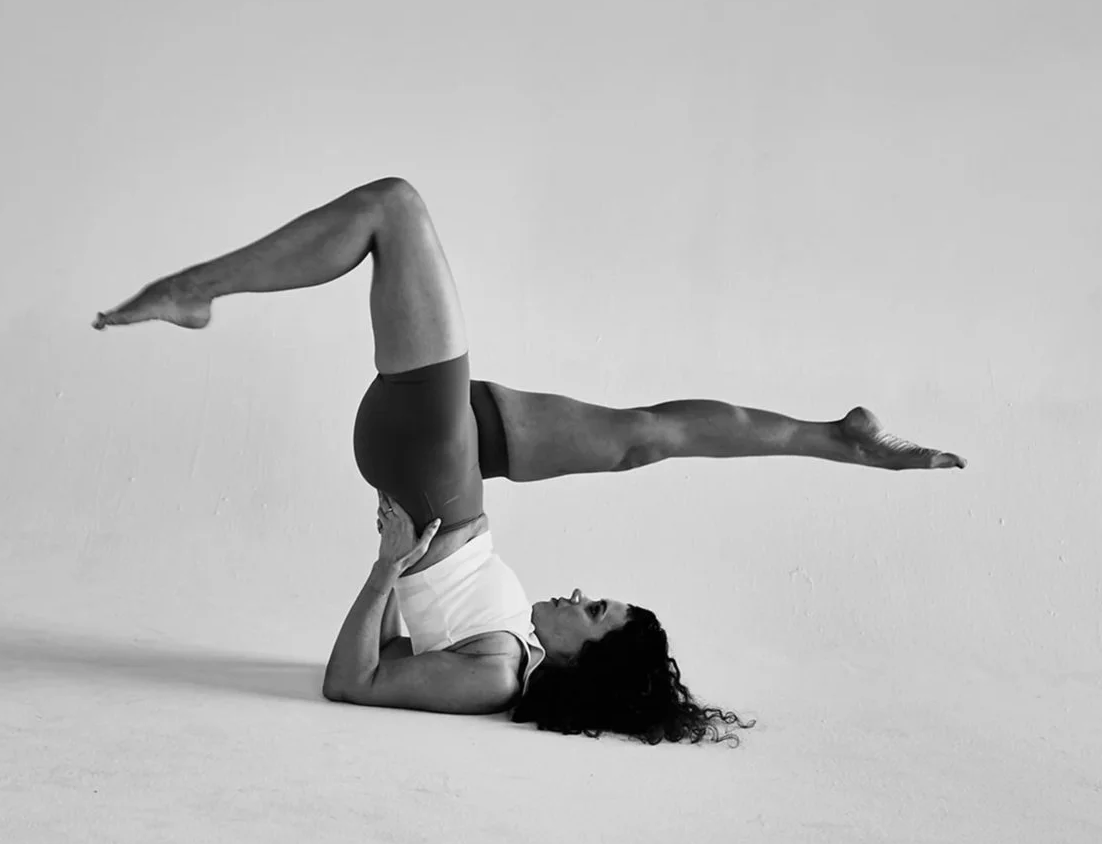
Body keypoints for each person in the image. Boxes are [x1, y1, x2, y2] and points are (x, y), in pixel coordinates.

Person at [93, 177, 965, 746]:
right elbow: (397, 650)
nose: (581, 593)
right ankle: (833, 436)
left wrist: (387, 565)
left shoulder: (491, 677)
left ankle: (197, 289)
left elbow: (351, 682)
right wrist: (404, 580)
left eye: (591, 611)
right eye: (599, 597)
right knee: (641, 437)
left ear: (581, 661)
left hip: (429, 466)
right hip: (459, 458)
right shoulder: (509, 647)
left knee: (394, 209)